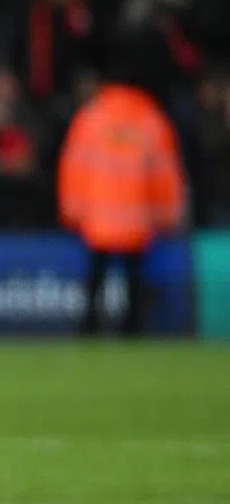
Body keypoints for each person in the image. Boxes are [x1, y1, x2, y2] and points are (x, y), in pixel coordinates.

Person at [57, 38, 186, 335]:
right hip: (136, 220)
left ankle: (89, 329)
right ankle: (132, 332)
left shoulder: (91, 117)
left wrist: (71, 212)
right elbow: (164, 174)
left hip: (97, 219)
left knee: (96, 279)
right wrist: (167, 216)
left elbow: (74, 167)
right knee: (133, 281)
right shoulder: (151, 120)